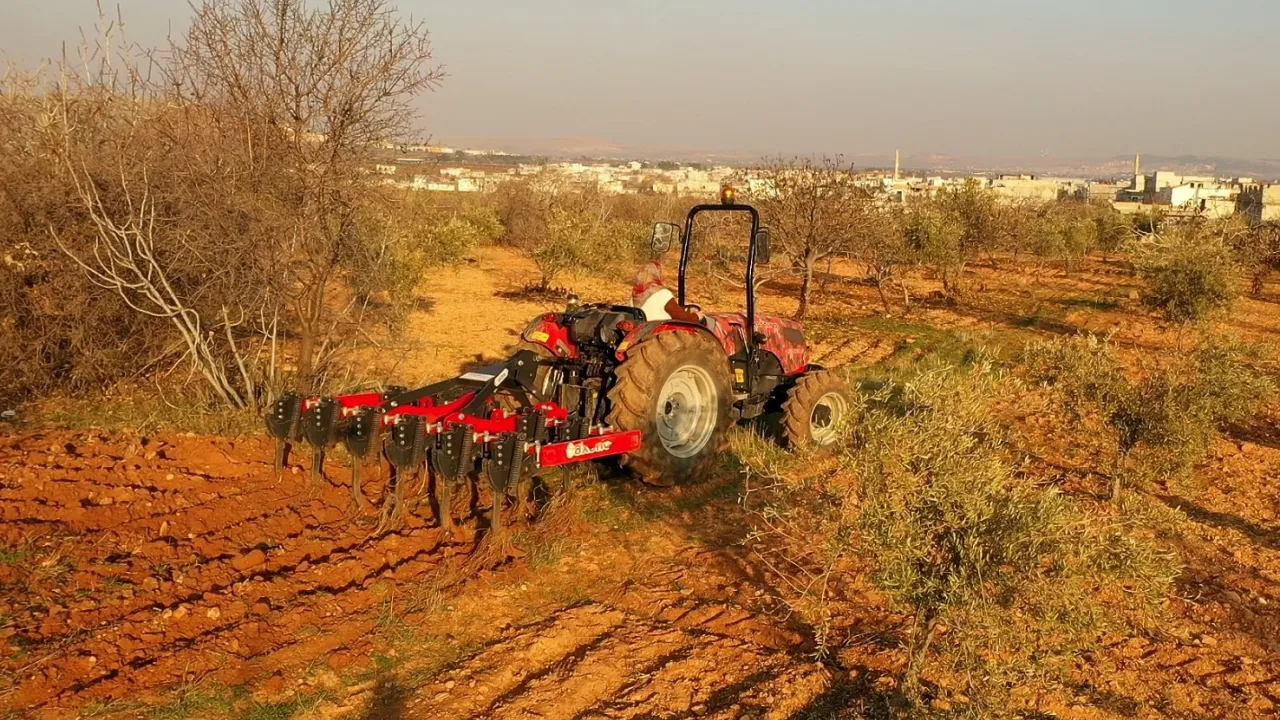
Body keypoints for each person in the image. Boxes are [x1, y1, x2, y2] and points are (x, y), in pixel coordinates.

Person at [631, 260, 703, 323]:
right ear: (657, 275)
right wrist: (697, 316)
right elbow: (682, 318)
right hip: (661, 332)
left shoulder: (635, 296)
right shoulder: (663, 294)